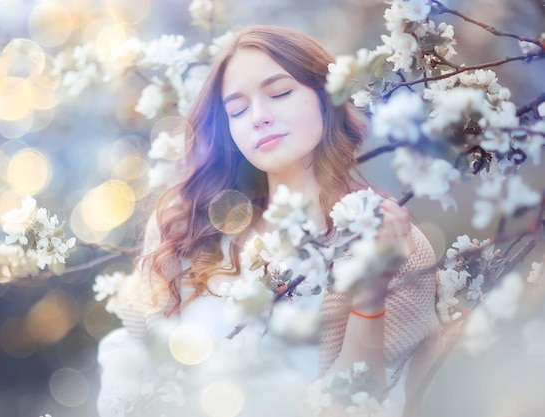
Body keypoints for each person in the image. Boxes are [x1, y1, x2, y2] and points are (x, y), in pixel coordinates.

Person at [97, 25, 443, 417]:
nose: (258, 117)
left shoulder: (391, 243)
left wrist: (370, 294)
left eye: (279, 93)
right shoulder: (185, 227)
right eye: (238, 110)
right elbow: (132, 354)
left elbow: (360, 404)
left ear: (326, 96)